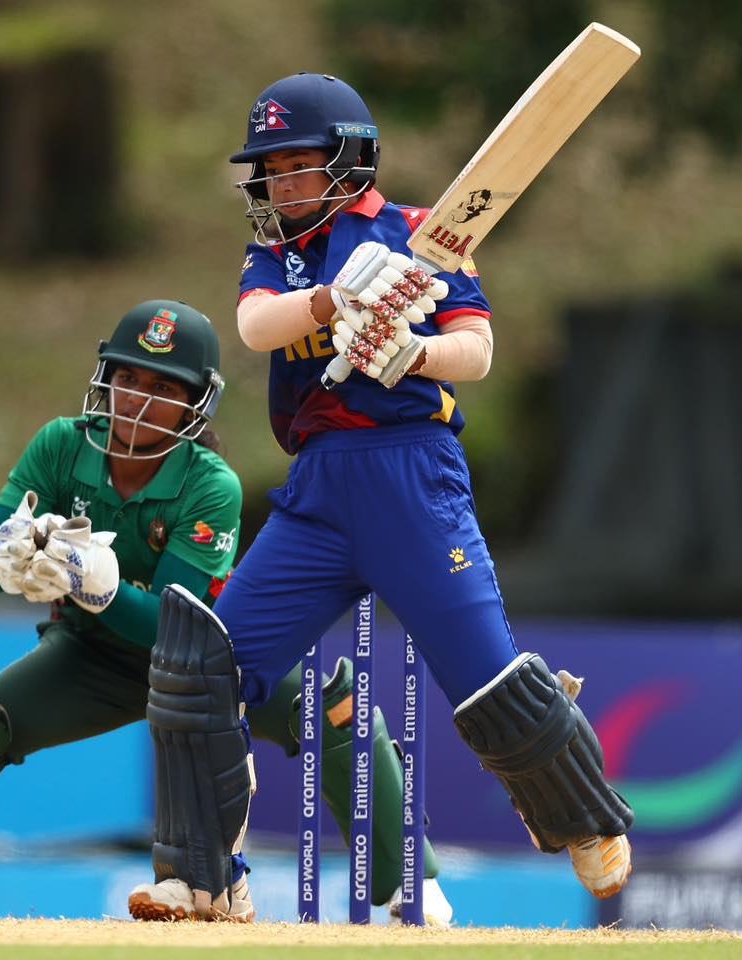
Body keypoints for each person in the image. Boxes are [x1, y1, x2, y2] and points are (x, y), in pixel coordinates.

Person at [128, 74, 634, 922]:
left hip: (411, 476)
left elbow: (476, 349)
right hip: (319, 491)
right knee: (202, 671)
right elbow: (256, 327)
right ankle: (205, 879)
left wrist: (411, 352)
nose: (281, 185)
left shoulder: (420, 234)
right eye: (270, 171)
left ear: (347, 160)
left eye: (296, 165)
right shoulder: (277, 257)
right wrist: (337, 299)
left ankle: (586, 816)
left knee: (486, 678)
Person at [0, 300, 451, 923]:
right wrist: (8, 562)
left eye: (163, 388)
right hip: (90, 655)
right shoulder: (60, 445)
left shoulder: (210, 484)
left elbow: (169, 627)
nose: (137, 399)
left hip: (211, 663)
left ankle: (411, 883)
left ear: (196, 402)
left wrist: (100, 589)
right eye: (127, 377)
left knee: (335, 711)